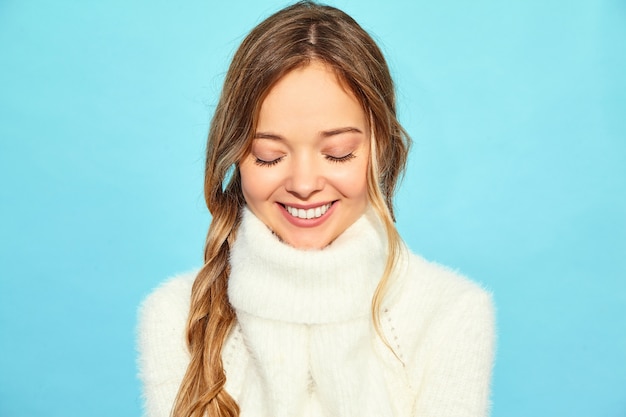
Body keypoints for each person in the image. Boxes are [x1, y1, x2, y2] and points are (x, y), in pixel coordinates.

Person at [137, 2, 495, 417]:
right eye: (269, 155)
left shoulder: (450, 314)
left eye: (338, 154)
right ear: (234, 156)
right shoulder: (175, 317)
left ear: (382, 148)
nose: (304, 185)